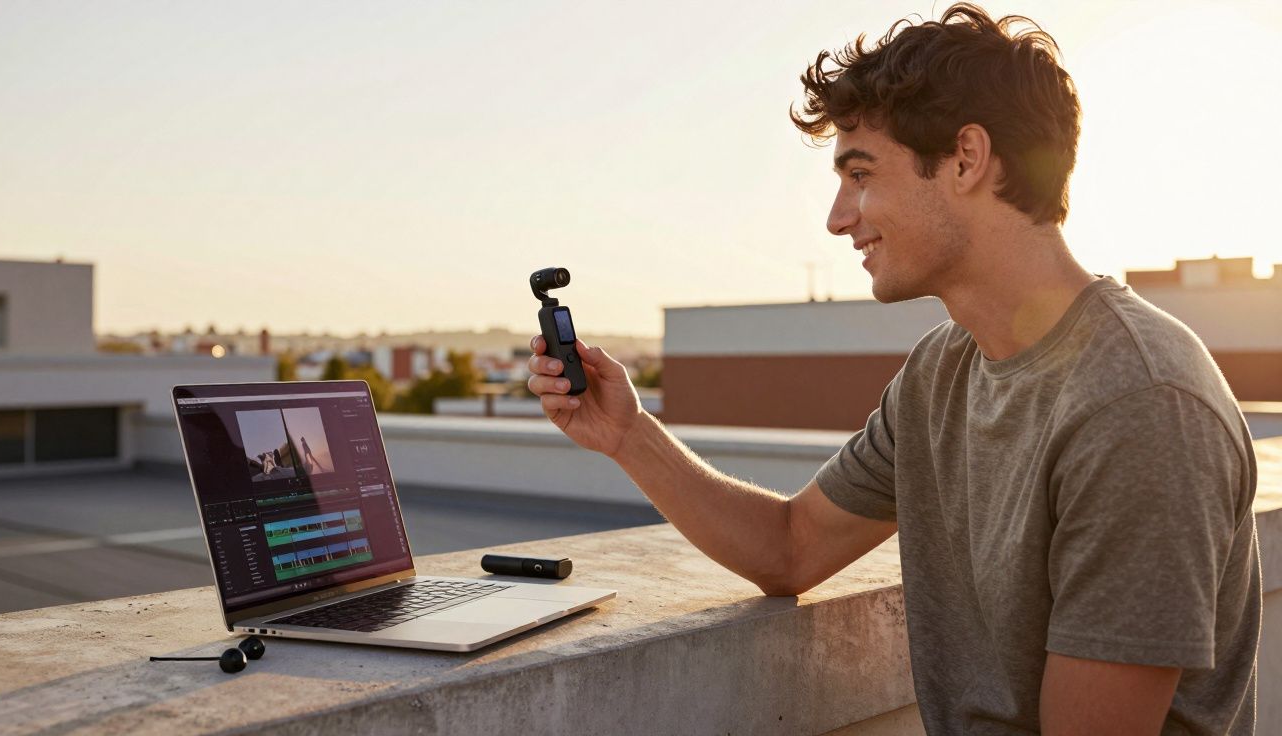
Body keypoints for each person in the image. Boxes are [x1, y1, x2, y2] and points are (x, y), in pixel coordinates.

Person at [526, 4, 1259, 734]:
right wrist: (629, 435)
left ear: (966, 159)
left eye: (860, 173)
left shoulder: (1139, 405)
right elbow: (791, 547)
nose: (838, 218)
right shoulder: (942, 371)